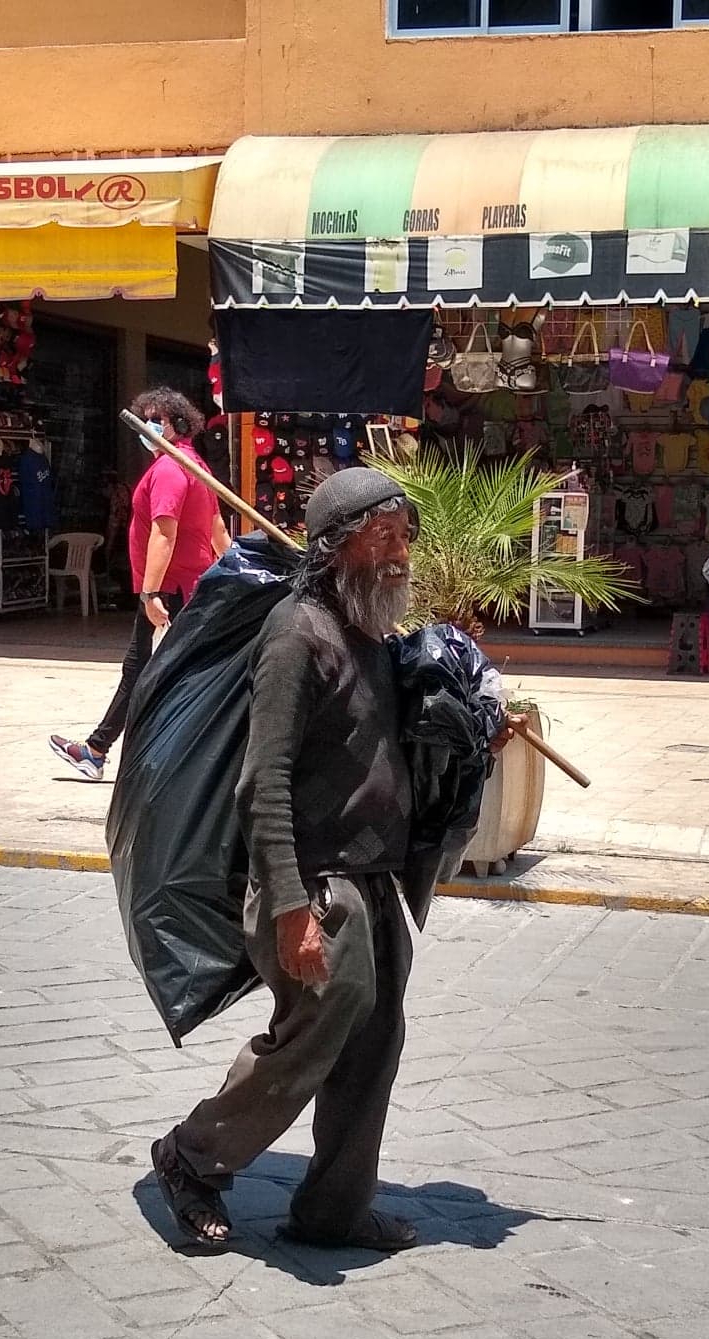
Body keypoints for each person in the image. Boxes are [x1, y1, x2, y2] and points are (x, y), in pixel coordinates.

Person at [150, 466, 425, 1253]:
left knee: (374, 1045)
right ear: (340, 547)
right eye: (385, 537)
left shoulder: (368, 628)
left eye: (405, 536)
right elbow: (261, 781)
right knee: (318, 1028)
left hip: (371, 877)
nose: (401, 553)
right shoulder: (295, 634)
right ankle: (194, 1154)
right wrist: (290, 906)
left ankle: (333, 1210)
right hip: (313, 881)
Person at [50, 387, 230, 781]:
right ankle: (98, 749)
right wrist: (232, 570)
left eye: (155, 419)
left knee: (151, 670)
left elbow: (164, 534)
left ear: (177, 425)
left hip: (169, 590)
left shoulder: (169, 469)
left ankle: (104, 751)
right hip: (187, 587)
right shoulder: (194, 465)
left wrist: (150, 592)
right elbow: (217, 531)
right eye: (144, 417)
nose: (146, 426)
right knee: (148, 668)